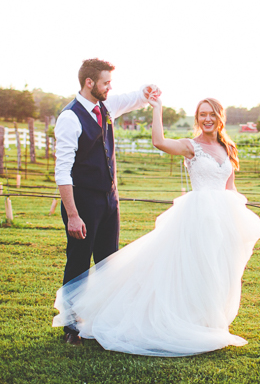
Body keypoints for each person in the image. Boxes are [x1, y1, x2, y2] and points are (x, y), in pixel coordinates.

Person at [51, 95, 260, 357]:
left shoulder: (228, 148)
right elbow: (159, 142)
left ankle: (209, 323)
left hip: (223, 219)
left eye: (212, 114)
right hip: (198, 217)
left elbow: (230, 188)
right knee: (196, 269)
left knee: (219, 272)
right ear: (198, 119)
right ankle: (179, 321)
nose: (207, 119)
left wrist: (238, 217)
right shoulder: (191, 146)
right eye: (202, 114)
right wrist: (156, 109)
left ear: (220, 117)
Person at [53, 58, 158, 345]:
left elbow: (133, 99)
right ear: (89, 83)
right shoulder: (70, 118)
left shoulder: (105, 107)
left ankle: (103, 322)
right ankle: (71, 328)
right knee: (78, 262)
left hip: (110, 200)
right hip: (83, 202)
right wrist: (73, 215)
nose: (110, 87)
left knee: (108, 262)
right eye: (106, 83)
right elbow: (62, 171)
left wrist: (147, 91)